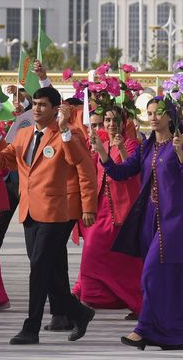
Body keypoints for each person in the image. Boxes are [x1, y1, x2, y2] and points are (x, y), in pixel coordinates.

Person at [0, 84, 97, 344]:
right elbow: (5, 161)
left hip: (54, 212)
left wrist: (88, 207)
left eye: (42, 105)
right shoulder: (24, 134)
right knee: (45, 271)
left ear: (55, 109)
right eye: (35, 104)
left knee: (39, 270)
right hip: (29, 212)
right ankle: (78, 312)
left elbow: (80, 165)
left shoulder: (69, 134)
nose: (36, 109)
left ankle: (31, 327)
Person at [106, 96, 183, 350]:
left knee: (151, 274)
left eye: (158, 112)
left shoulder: (177, 145)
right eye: (149, 112)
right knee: (167, 279)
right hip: (150, 221)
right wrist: (101, 154)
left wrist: (181, 153)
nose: (152, 116)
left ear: (170, 116)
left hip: (174, 221)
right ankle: (171, 334)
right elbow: (123, 172)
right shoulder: (147, 147)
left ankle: (144, 329)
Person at [76, 106, 142, 316]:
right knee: (92, 253)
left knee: (126, 263)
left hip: (120, 210)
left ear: (123, 124)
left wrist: (120, 149)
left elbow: (128, 170)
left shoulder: (132, 144)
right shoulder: (101, 144)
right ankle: (88, 298)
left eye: (115, 121)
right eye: (107, 120)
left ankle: (138, 303)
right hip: (99, 209)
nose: (111, 124)